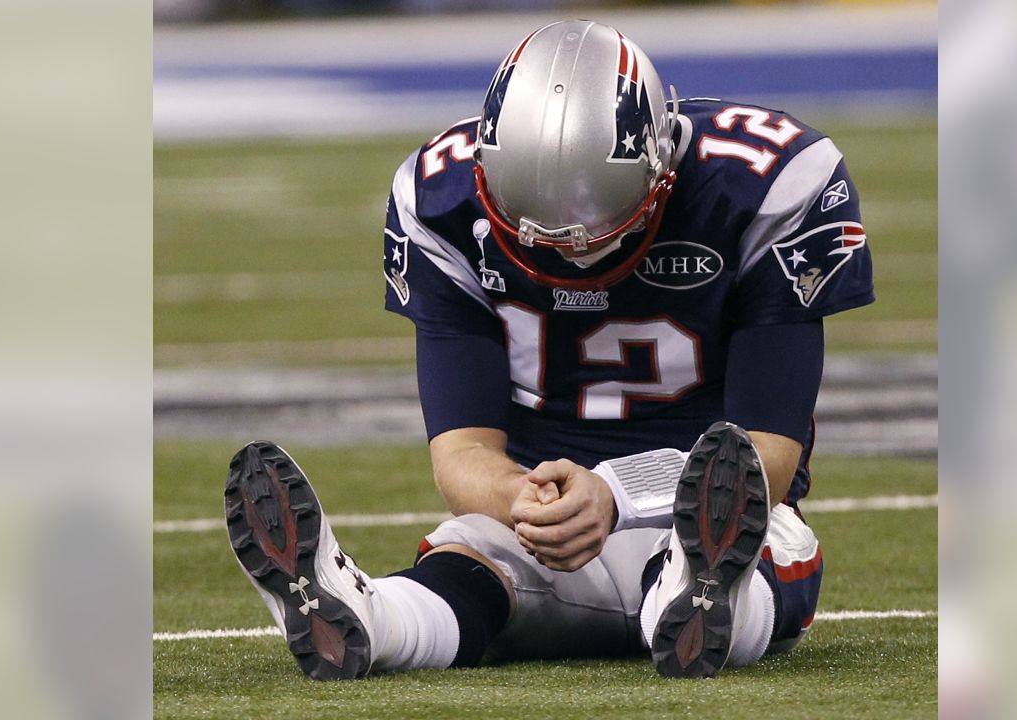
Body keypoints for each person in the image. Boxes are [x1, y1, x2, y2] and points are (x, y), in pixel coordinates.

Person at [225, 19, 873, 681]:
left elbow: (766, 453)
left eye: (597, 232)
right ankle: (363, 613)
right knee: (469, 560)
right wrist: (526, 502)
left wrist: (614, 495)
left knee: (746, 548)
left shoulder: (772, 183)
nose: (569, 250)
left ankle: (692, 588)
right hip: (541, 533)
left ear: (661, 167)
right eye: (537, 232)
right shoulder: (438, 200)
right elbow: (463, 455)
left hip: (714, 511)